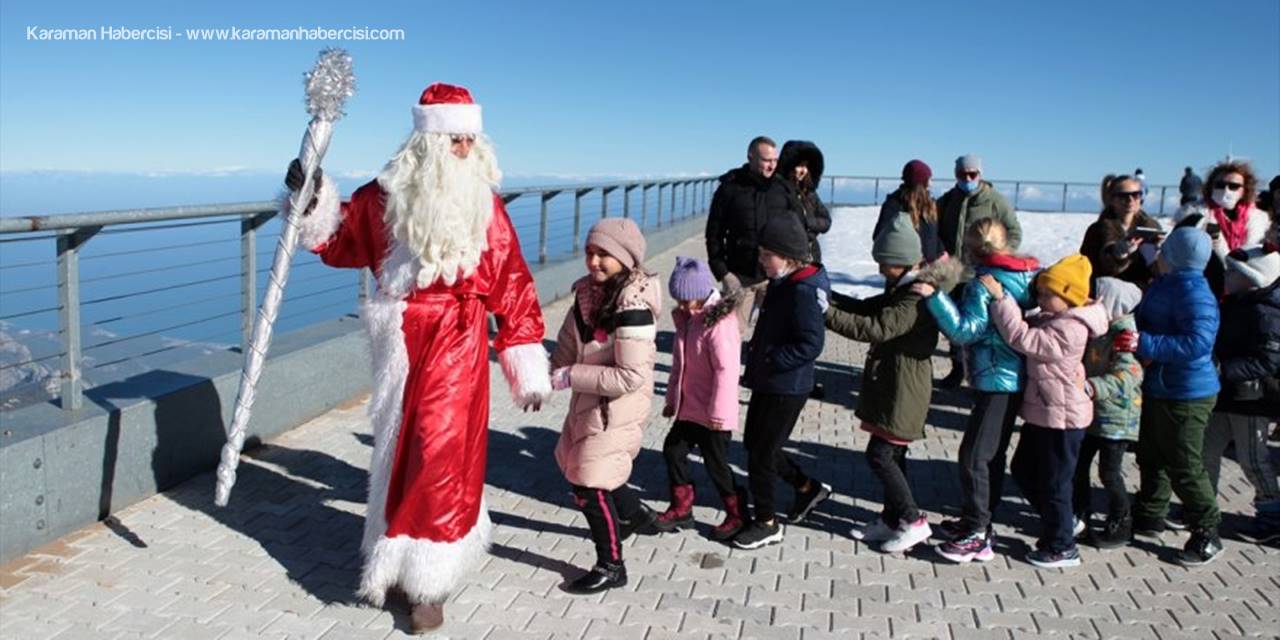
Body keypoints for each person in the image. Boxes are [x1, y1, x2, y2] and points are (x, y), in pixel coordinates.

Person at [286, 83, 551, 632]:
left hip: (458, 335)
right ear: (428, 143)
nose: (466, 149)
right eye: (455, 139)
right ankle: (397, 552)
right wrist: (310, 200)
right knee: (399, 447)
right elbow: (338, 241)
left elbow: (512, 279)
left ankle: (428, 580)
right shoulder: (384, 198)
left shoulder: (484, 203)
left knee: (439, 446)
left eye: (471, 139)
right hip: (401, 337)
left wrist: (523, 355)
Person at [826, 213, 958, 553]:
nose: (880, 268)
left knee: (881, 455)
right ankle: (891, 518)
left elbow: (876, 327)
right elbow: (866, 308)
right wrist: (828, 295)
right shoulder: (901, 289)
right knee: (893, 454)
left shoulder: (913, 298)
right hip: (894, 383)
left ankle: (913, 521)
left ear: (901, 261)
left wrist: (825, 313)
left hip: (905, 388)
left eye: (884, 262)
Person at [917, 218, 1039, 563]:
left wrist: (935, 297)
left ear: (972, 248)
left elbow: (965, 331)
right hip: (1014, 377)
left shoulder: (982, 283)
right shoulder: (1024, 275)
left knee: (973, 457)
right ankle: (979, 519)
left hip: (996, 378)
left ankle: (978, 533)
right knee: (991, 455)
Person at [549, 218, 661, 594]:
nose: (593, 261)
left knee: (588, 481)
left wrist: (571, 376)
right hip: (591, 401)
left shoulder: (634, 305)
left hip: (618, 407)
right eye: (589, 252)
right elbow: (568, 344)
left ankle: (612, 566)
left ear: (625, 259)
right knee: (587, 467)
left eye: (604, 255)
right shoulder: (587, 295)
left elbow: (630, 376)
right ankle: (635, 514)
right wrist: (544, 381)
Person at [982, 254, 1108, 568]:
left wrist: (1001, 300)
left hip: (1062, 420)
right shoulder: (1057, 318)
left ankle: (1063, 546)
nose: (1038, 298)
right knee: (1024, 469)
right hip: (1045, 413)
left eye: (1045, 293)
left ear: (1068, 296)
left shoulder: (1071, 329)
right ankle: (1063, 522)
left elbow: (1023, 338)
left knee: (1055, 483)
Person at [734, 214, 832, 550]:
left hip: (787, 386)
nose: (761, 260)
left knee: (761, 455)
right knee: (757, 445)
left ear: (789, 257)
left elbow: (811, 343)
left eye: (767, 255)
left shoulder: (802, 290)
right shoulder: (782, 281)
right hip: (769, 380)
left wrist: (774, 359)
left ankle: (766, 522)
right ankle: (808, 488)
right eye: (761, 253)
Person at [1128, 227, 1224, 567]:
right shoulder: (1167, 284)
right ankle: (1151, 513)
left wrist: (1145, 343)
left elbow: (1198, 342)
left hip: (1188, 391)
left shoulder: (1196, 293)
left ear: (1175, 255)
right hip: (1161, 385)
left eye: (1165, 249)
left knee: (1184, 462)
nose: (1159, 253)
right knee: (1151, 453)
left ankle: (1207, 531)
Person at [653, 257, 747, 541]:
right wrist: (672, 400)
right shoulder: (688, 320)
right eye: (678, 301)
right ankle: (682, 508)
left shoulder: (720, 323)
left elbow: (726, 371)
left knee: (716, 465)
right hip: (689, 408)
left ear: (702, 293)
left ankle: (737, 513)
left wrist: (719, 413)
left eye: (686, 300)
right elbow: (679, 366)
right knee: (673, 450)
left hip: (713, 413)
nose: (682, 306)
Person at [1204, 245, 1280, 542]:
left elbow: (1269, 360)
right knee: (1206, 451)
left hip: (1251, 401)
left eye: (1234, 272)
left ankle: (1272, 516)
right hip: (1225, 395)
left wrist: (1224, 369)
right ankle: (1203, 507)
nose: (1227, 275)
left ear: (1253, 279)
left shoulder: (1266, 313)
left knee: (1253, 460)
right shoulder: (1236, 302)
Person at [936, 154, 1021, 388]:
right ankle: (957, 369)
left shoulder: (995, 201)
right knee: (954, 326)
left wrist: (998, 256)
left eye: (972, 174)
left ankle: (978, 373)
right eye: (962, 174)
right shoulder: (947, 201)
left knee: (980, 328)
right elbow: (935, 231)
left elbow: (1014, 232)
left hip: (981, 276)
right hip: (953, 275)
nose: (967, 178)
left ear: (980, 174)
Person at [1072, 278, 1144, 549]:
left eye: (1095, 297)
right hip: (1094, 413)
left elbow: (1129, 375)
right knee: (1078, 465)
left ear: (1112, 304)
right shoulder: (1100, 329)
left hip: (1117, 418)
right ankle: (1078, 513)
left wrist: (1092, 387)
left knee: (1109, 473)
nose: (1089, 300)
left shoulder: (1124, 336)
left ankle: (1122, 522)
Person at [705, 136, 801, 327]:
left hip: (775, 276)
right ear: (751, 157)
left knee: (774, 332)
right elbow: (713, 235)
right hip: (739, 276)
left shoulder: (783, 188)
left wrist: (793, 267)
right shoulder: (729, 188)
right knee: (730, 332)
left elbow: (796, 230)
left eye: (775, 160)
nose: (772, 166)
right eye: (766, 160)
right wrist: (723, 273)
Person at [1174, 160, 1274, 297]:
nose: (1226, 190)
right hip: (1204, 287)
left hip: (1245, 290)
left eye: (1234, 186)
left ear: (1244, 190)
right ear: (1211, 186)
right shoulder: (1193, 215)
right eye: (1220, 185)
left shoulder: (1259, 220)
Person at [1079, 175, 1164, 289]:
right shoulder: (1097, 231)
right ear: (1112, 199)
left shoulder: (1152, 227)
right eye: (1123, 196)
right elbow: (1087, 269)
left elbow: (1160, 271)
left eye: (1136, 194)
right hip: (1109, 290)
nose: (1130, 200)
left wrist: (1161, 253)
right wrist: (1115, 255)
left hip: (1147, 290)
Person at [873, 160, 945, 262]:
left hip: (930, 265)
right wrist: (904, 261)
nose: (931, 184)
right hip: (906, 266)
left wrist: (940, 251)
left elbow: (933, 234)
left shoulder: (929, 204)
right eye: (928, 180)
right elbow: (881, 237)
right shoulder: (895, 205)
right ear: (920, 183)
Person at [777, 140, 832, 264]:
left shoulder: (809, 193)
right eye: (800, 166)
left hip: (812, 254)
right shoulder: (778, 193)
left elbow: (826, 221)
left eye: (807, 166)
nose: (804, 171)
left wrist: (807, 223)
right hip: (789, 257)